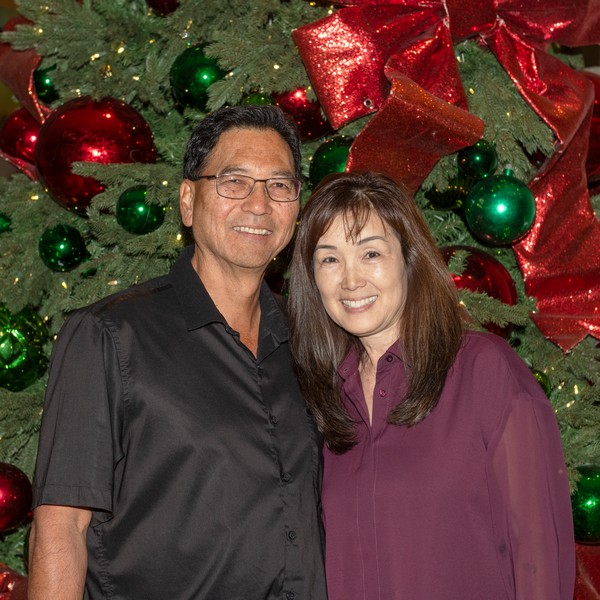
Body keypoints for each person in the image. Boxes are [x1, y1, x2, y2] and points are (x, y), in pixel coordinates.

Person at [28, 105, 327, 600]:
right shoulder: (109, 335)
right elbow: (61, 527)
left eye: (279, 185)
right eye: (234, 182)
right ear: (188, 202)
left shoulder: (311, 343)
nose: (259, 204)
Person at [288, 171, 575, 600]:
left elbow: (539, 559)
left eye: (371, 253)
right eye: (329, 259)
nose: (350, 280)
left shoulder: (485, 371)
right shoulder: (324, 399)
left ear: (410, 260)